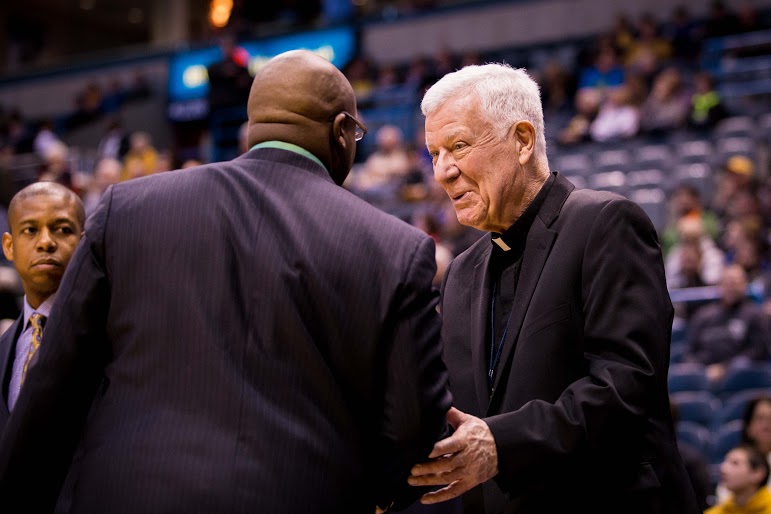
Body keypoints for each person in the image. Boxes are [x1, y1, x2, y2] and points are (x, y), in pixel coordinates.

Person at [0, 50, 451, 513]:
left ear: (254, 125)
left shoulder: (126, 210)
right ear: (340, 131)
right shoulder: (393, 248)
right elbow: (414, 433)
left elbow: (52, 389)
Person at [407, 63, 700, 513]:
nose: (443, 172)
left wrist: (501, 444)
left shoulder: (604, 223)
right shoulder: (462, 273)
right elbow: (461, 420)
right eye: (434, 154)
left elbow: (625, 388)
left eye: (459, 146)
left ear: (522, 141)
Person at [0, 182, 84, 432]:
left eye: (62, 229)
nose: (45, 242)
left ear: (83, 243)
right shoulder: (4, 347)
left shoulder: (111, 334)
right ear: (9, 247)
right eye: (30, 230)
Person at [684, 264, 769, 385]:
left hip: (740, 379)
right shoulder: (703, 315)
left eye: (735, 283)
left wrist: (725, 368)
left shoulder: (754, 315)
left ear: (744, 285)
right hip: (703, 375)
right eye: (727, 282)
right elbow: (689, 351)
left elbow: (758, 351)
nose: (731, 287)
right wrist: (700, 371)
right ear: (720, 285)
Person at [707, 443, 771, 514]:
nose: (723, 469)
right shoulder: (718, 511)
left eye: (735, 463)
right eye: (725, 462)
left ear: (757, 473)